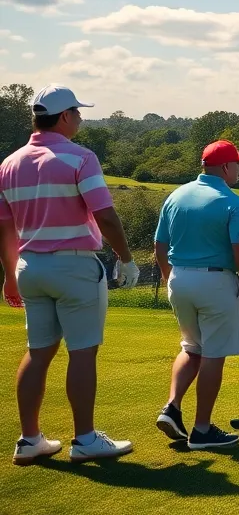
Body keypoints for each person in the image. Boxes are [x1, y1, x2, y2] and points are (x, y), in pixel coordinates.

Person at [0, 85, 139, 465]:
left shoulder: (9, 164)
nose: (79, 118)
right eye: (77, 113)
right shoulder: (80, 157)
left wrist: (10, 276)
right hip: (74, 265)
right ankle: (85, 439)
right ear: (64, 117)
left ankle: (30, 440)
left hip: (30, 267)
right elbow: (106, 215)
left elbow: (5, 227)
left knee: (38, 352)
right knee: (82, 352)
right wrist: (125, 258)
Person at [153, 140, 239, 450]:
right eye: (237, 164)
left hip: (179, 278)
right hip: (215, 281)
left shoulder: (176, 196)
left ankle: (171, 407)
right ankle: (201, 429)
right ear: (225, 168)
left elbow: (160, 245)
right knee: (213, 353)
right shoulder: (234, 203)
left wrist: (169, 278)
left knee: (191, 347)